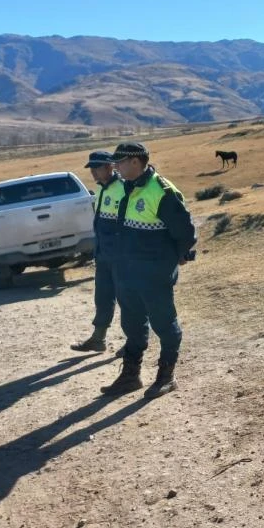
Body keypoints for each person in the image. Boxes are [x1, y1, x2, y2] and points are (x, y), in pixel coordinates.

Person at [99, 142, 196, 399]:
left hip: (154, 274)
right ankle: (131, 376)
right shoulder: (127, 187)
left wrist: (175, 259)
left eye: (119, 163)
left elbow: (186, 233)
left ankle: (166, 376)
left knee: (164, 323)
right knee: (132, 324)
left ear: (135, 161)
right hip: (127, 272)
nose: (115, 168)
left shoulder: (161, 191)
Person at [71, 150, 126, 354]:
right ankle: (98, 338)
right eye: (91, 168)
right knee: (103, 298)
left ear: (109, 166)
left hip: (121, 256)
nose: (93, 172)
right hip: (103, 255)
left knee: (128, 300)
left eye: (97, 167)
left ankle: (134, 341)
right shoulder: (101, 189)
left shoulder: (124, 187)